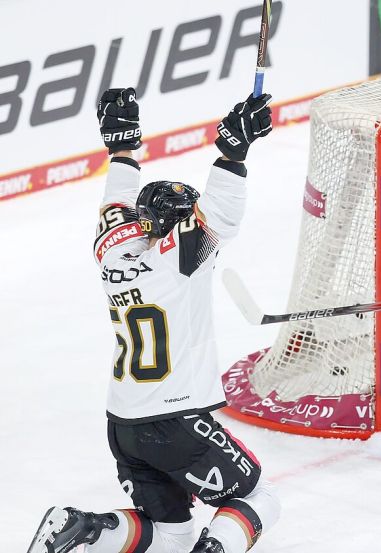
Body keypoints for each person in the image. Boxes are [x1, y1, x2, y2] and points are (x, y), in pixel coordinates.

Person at [27, 88, 279, 553]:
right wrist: (232, 153)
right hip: (174, 420)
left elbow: (116, 202)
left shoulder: (113, 252)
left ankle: (81, 528)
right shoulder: (180, 261)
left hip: (123, 424)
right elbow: (219, 214)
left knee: (173, 535)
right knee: (259, 497)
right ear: (179, 227)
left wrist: (121, 150)